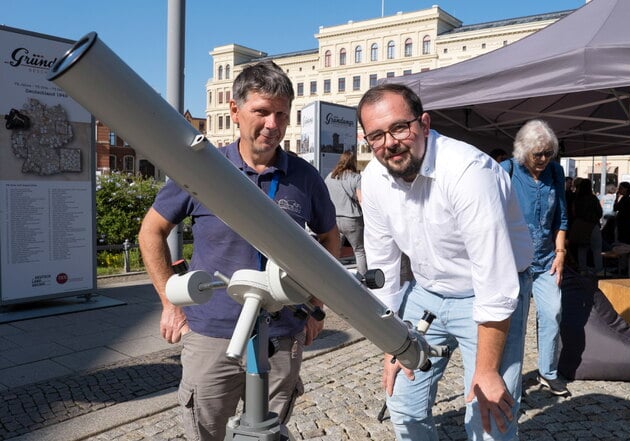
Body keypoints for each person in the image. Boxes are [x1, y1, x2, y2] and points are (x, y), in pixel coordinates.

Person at [138, 60, 340, 441]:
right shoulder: (205, 170)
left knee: (268, 432)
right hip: (213, 334)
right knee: (206, 430)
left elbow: (331, 238)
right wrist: (169, 301)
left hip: (282, 334)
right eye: (261, 112)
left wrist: (315, 305)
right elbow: (151, 232)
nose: (273, 124)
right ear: (234, 110)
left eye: (281, 114)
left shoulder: (303, 177)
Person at [357, 83, 534, 440]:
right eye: (376, 135)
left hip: (489, 294)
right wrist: (391, 343)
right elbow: (384, 269)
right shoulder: (373, 179)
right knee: (402, 404)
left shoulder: (469, 173)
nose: (389, 143)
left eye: (398, 128)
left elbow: (495, 282)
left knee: (489, 421)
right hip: (426, 293)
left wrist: (486, 370)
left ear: (423, 123)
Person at [500, 119, 570, 396]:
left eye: (548, 153)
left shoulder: (555, 172)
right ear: (523, 151)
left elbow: (561, 217)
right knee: (515, 326)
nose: (543, 159)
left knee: (552, 314)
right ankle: (510, 383)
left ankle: (548, 372)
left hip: (546, 260)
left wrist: (561, 253)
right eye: (537, 154)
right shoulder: (507, 171)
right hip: (515, 264)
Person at [325, 150, 367, 275]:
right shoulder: (356, 177)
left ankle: (332, 275)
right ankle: (363, 279)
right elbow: (361, 200)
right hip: (352, 219)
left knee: (335, 250)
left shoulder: (330, 176)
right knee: (359, 250)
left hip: (335, 219)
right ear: (353, 162)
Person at [570, 178, 604, 275]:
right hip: (593, 225)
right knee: (597, 249)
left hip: (580, 225)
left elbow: (574, 212)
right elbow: (599, 212)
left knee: (582, 249)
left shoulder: (577, 198)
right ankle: (599, 270)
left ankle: (582, 269)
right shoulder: (593, 198)